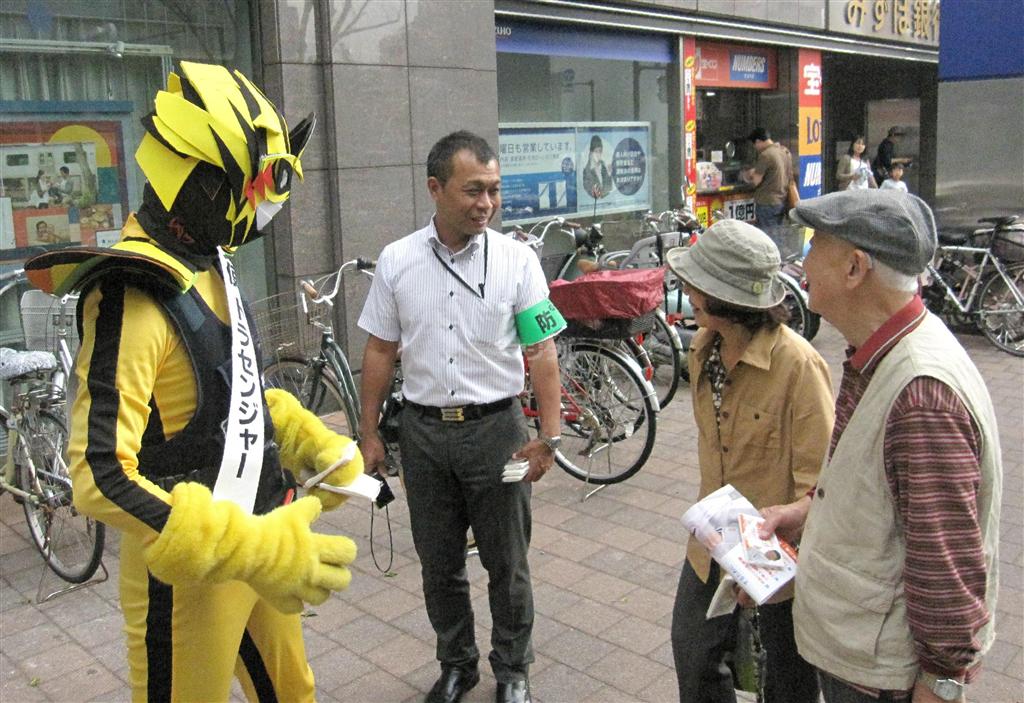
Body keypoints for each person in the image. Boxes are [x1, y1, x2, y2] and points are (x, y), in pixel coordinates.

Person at [24, 61, 364, 702]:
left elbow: (225, 391)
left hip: (261, 536)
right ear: (203, 183)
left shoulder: (212, 258)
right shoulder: (129, 294)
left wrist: (304, 436)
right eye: (251, 191)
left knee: (295, 693)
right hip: (187, 574)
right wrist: (251, 548)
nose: (261, 213)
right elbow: (100, 474)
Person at [758, 190, 1002, 703]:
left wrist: (938, 686)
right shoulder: (880, 349)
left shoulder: (921, 393)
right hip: (859, 656)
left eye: (814, 245)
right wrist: (805, 514)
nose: (802, 263)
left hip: (880, 679)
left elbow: (947, 569)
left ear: (854, 268)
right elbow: (884, 494)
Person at [358, 130, 564, 703]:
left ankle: (513, 671)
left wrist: (549, 435)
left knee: (508, 563)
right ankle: (457, 664)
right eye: (473, 190)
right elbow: (379, 351)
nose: (486, 204)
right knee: (438, 564)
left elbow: (542, 350)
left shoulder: (518, 260)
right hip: (423, 435)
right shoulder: (397, 262)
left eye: (494, 190)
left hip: (498, 433)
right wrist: (369, 432)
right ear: (435, 188)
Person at [665, 219, 834, 703]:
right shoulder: (703, 349)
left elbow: (820, 485)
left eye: (696, 285)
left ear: (726, 300)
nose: (688, 292)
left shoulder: (798, 366)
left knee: (787, 682)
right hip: (712, 540)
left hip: (778, 558)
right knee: (694, 657)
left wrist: (767, 558)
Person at [743, 128, 794, 235]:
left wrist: (749, 174)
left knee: (767, 236)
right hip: (781, 201)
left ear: (758, 141)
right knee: (777, 234)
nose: (755, 147)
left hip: (767, 203)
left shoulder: (765, 155)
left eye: (754, 144)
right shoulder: (784, 151)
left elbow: (756, 181)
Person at [581, 134, 613, 199]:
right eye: (596, 151)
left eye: (600, 151)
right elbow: (593, 194)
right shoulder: (587, 172)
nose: (598, 154)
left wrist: (609, 174)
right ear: (591, 153)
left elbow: (609, 188)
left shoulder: (603, 166)